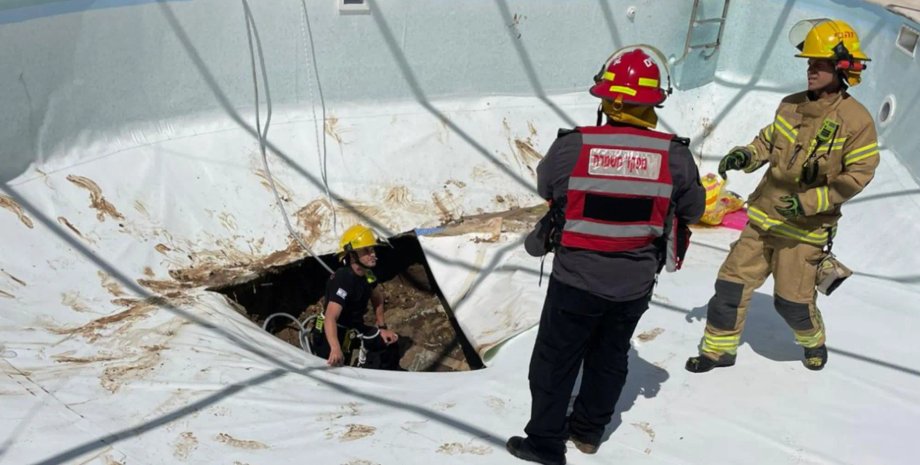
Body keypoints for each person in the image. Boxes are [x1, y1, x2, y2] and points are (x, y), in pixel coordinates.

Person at [508, 46, 705, 465]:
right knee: (610, 355)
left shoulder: (572, 146)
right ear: (653, 103)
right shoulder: (675, 156)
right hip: (634, 284)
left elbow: (547, 188)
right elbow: (693, 210)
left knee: (555, 360)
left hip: (574, 281)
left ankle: (544, 443)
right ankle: (588, 433)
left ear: (608, 101)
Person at [685, 19, 879, 374]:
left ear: (842, 68)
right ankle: (718, 351)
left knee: (792, 303)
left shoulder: (857, 121)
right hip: (763, 218)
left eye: (819, 64)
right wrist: (746, 155)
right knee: (730, 287)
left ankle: (813, 341)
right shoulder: (790, 106)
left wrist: (807, 203)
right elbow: (769, 141)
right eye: (809, 63)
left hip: (805, 230)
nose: (810, 70)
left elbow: (858, 176)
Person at [312, 224, 401, 370]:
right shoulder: (343, 278)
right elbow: (330, 317)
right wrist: (335, 348)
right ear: (352, 255)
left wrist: (382, 327)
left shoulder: (368, 275)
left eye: (372, 249)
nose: (373, 254)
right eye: (366, 250)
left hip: (354, 328)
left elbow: (377, 298)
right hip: (332, 332)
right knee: (336, 368)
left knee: (388, 343)